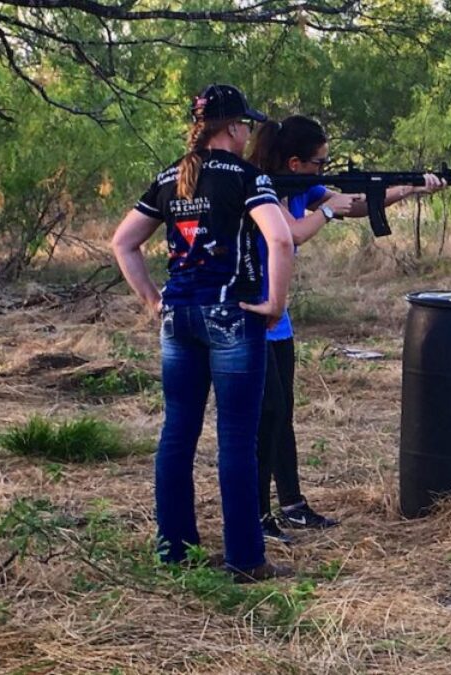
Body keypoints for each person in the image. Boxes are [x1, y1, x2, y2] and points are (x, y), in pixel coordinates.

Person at [111, 84, 295, 582]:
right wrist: (274, 304)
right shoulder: (246, 176)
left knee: (177, 434)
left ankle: (175, 551)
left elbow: (123, 243)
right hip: (232, 315)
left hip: (180, 318)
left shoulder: (170, 177)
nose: (248, 133)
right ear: (233, 127)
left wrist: (153, 300)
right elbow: (279, 238)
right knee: (236, 439)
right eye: (245, 125)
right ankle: (245, 559)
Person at [247, 114, 445, 543]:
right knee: (266, 417)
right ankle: (257, 515)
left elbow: (353, 203)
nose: (324, 169)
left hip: (277, 320)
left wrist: (409, 188)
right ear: (295, 163)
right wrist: (328, 214)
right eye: (320, 162)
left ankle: (292, 504)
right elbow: (294, 233)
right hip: (252, 315)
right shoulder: (263, 188)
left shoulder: (303, 187)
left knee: (283, 417)